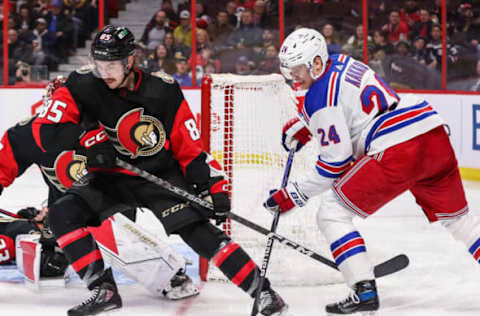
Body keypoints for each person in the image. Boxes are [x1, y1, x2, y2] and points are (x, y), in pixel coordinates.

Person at [33, 25, 289, 316]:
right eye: (100, 64)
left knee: (200, 234)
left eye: (113, 65)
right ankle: (102, 290)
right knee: (63, 213)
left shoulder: (161, 89)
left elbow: (189, 144)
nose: (105, 72)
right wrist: (87, 139)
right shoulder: (81, 84)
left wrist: (210, 186)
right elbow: (47, 129)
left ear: (130, 61)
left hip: (159, 177)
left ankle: (265, 293)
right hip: (108, 177)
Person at [267, 27, 477, 315]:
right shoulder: (342, 61)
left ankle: (363, 290)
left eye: (298, 69)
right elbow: (349, 102)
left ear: (316, 63)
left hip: (397, 147)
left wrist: (294, 194)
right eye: (289, 70)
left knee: (331, 212)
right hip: (430, 130)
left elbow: (335, 163)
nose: (294, 77)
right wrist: (307, 126)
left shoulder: (316, 97)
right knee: (461, 222)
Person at [0, 77, 197, 300]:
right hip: (64, 217)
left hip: (109, 206)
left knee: (109, 228)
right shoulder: (28, 134)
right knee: (47, 262)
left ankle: (165, 271)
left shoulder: (104, 124)